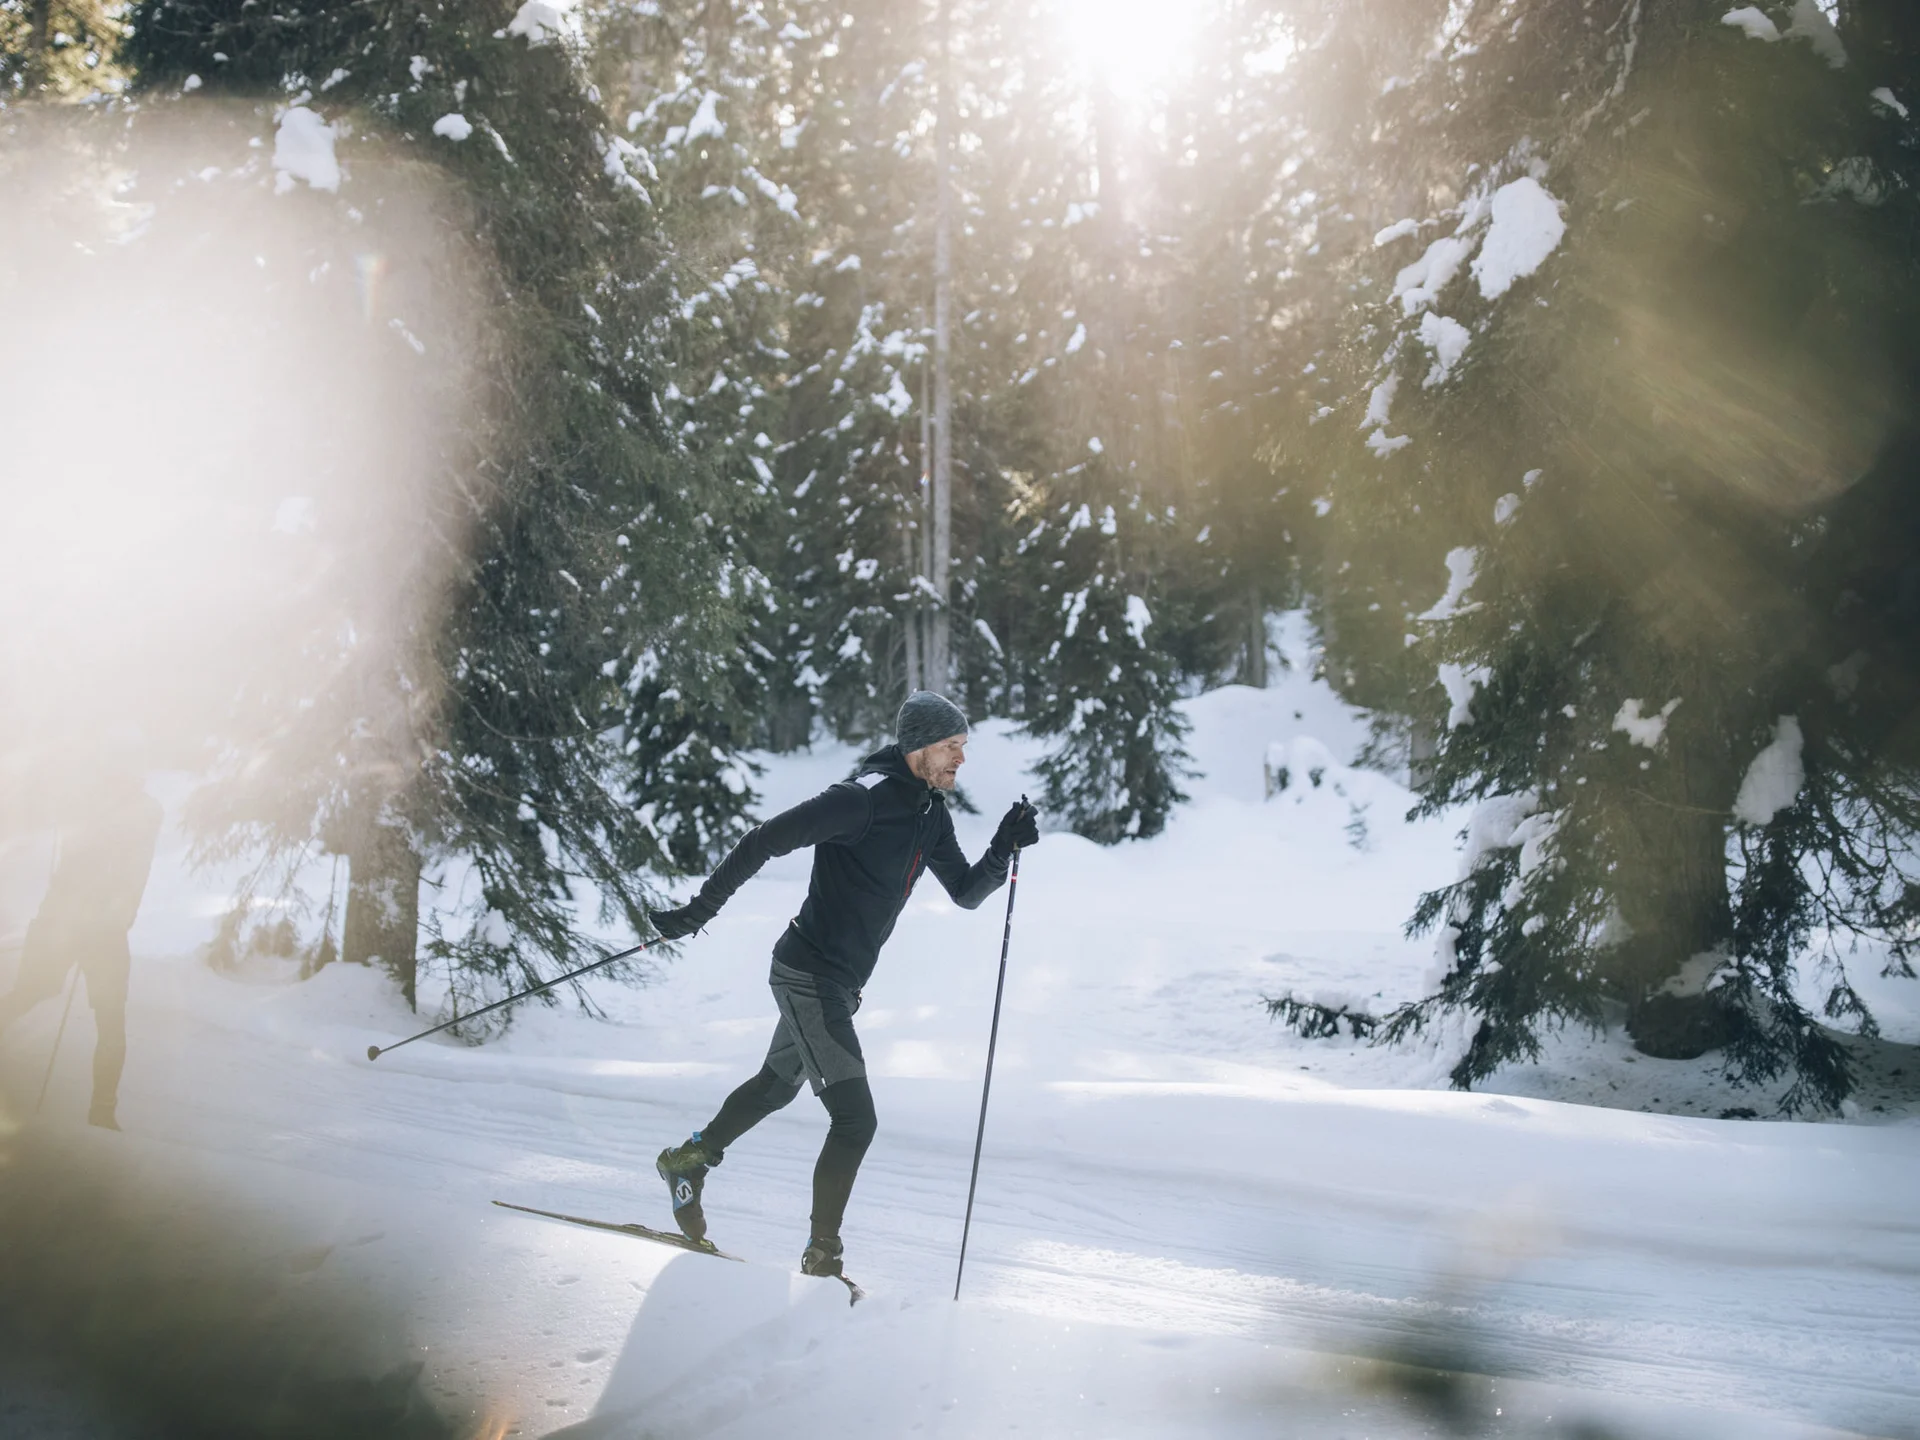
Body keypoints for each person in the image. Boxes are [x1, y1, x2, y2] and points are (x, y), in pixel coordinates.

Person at [649, 690, 1039, 1278]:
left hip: (838, 984)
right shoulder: (861, 800)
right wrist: (698, 912)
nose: (961, 758)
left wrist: (1002, 846)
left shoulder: (930, 812)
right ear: (919, 747)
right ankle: (822, 1253)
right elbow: (763, 840)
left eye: (963, 747)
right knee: (856, 1119)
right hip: (808, 975)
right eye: (952, 746)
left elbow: (964, 892)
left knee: (775, 1087)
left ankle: (688, 1161)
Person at [0, 772, 163, 1129]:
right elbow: (130, 872)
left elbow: (126, 870)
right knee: (102, 1017)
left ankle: (103, 1111)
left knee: (83, 1010)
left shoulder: (99, 804)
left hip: (79, 924)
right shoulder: (134, 811)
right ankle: (103, 1112)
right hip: (83, 924)